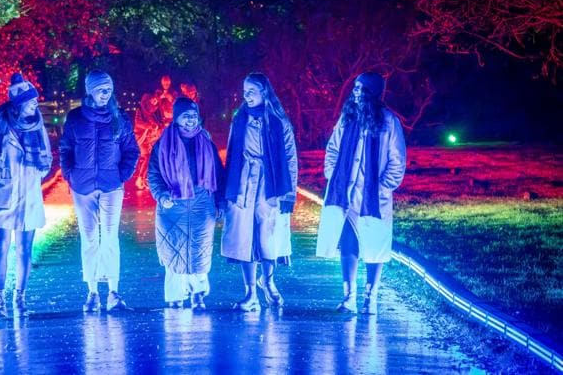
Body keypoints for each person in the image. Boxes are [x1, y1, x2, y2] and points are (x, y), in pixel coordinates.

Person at [315, 72, 406, 314]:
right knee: (348, 242)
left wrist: (383, 187)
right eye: (354, 88)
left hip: (373, 198)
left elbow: (397, 161)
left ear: (373, 93)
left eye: (360, 89)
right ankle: (349, 296)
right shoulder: (347, 118)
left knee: (375, 245)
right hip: (345, 192)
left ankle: (371, 297)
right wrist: (333, 175)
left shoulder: (388, 122)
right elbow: (333, 149)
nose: (355, 92)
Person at [59, 70, 140, 312]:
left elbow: (131, 150)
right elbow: (65, 148)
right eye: (101, 89)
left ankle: (113, 291)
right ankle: (92, 291)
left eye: (108, 89)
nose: (105, 93)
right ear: (90, 90)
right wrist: (70, 175)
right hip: (82, 187)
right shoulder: (75, 118)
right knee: (89, 237)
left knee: (110, 236)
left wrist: (121, 175)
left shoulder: (120, 118)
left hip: (111, 186)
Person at [0, 73, 53, 318]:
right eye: (30, 102)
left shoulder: (37, 126)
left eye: (35, 101)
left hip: (28, 196)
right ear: (18, 105)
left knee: (25, 251)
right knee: (0, 247)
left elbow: (47, 159)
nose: (34, 105)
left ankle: (20, 296)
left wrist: (39, 170)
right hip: (3, 196)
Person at [221, 73, 298, 311]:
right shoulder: (240, 119)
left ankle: (269, 281)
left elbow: (290, 157)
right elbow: (232, 152)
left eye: (251, 91)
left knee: (268, 235)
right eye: (245, 91)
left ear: (264, 92)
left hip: (270, 183)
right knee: (244, 236)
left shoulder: (278, 122)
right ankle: (250, 292)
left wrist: (289, 193)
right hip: (243, 180)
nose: (247, 95)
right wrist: (227, 189)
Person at [147, 97, 225, 309]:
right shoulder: (163, 143)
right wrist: (162, 195)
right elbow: (153, 174)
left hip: (202, 203)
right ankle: (175, 295)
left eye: (194, 116)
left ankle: (198, 293)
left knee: (200, 249)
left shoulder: (206, 141)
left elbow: (218, 173)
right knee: (173, 250)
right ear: (176, 118)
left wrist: (220, 202)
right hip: (173, 203)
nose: (191, 120)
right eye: (185, 116)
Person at [134, 93, 164, 190]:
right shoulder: (141, 111)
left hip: (150, 140)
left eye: (155, 101)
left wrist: (158, 127)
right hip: (142, 139)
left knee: (149, 159)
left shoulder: (152, 113)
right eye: (153, 101)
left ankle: (144, 179)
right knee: (147, 157)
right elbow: (138, 123)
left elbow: (158, 124)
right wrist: (149, 126)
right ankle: (140, 179)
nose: (154, 103)